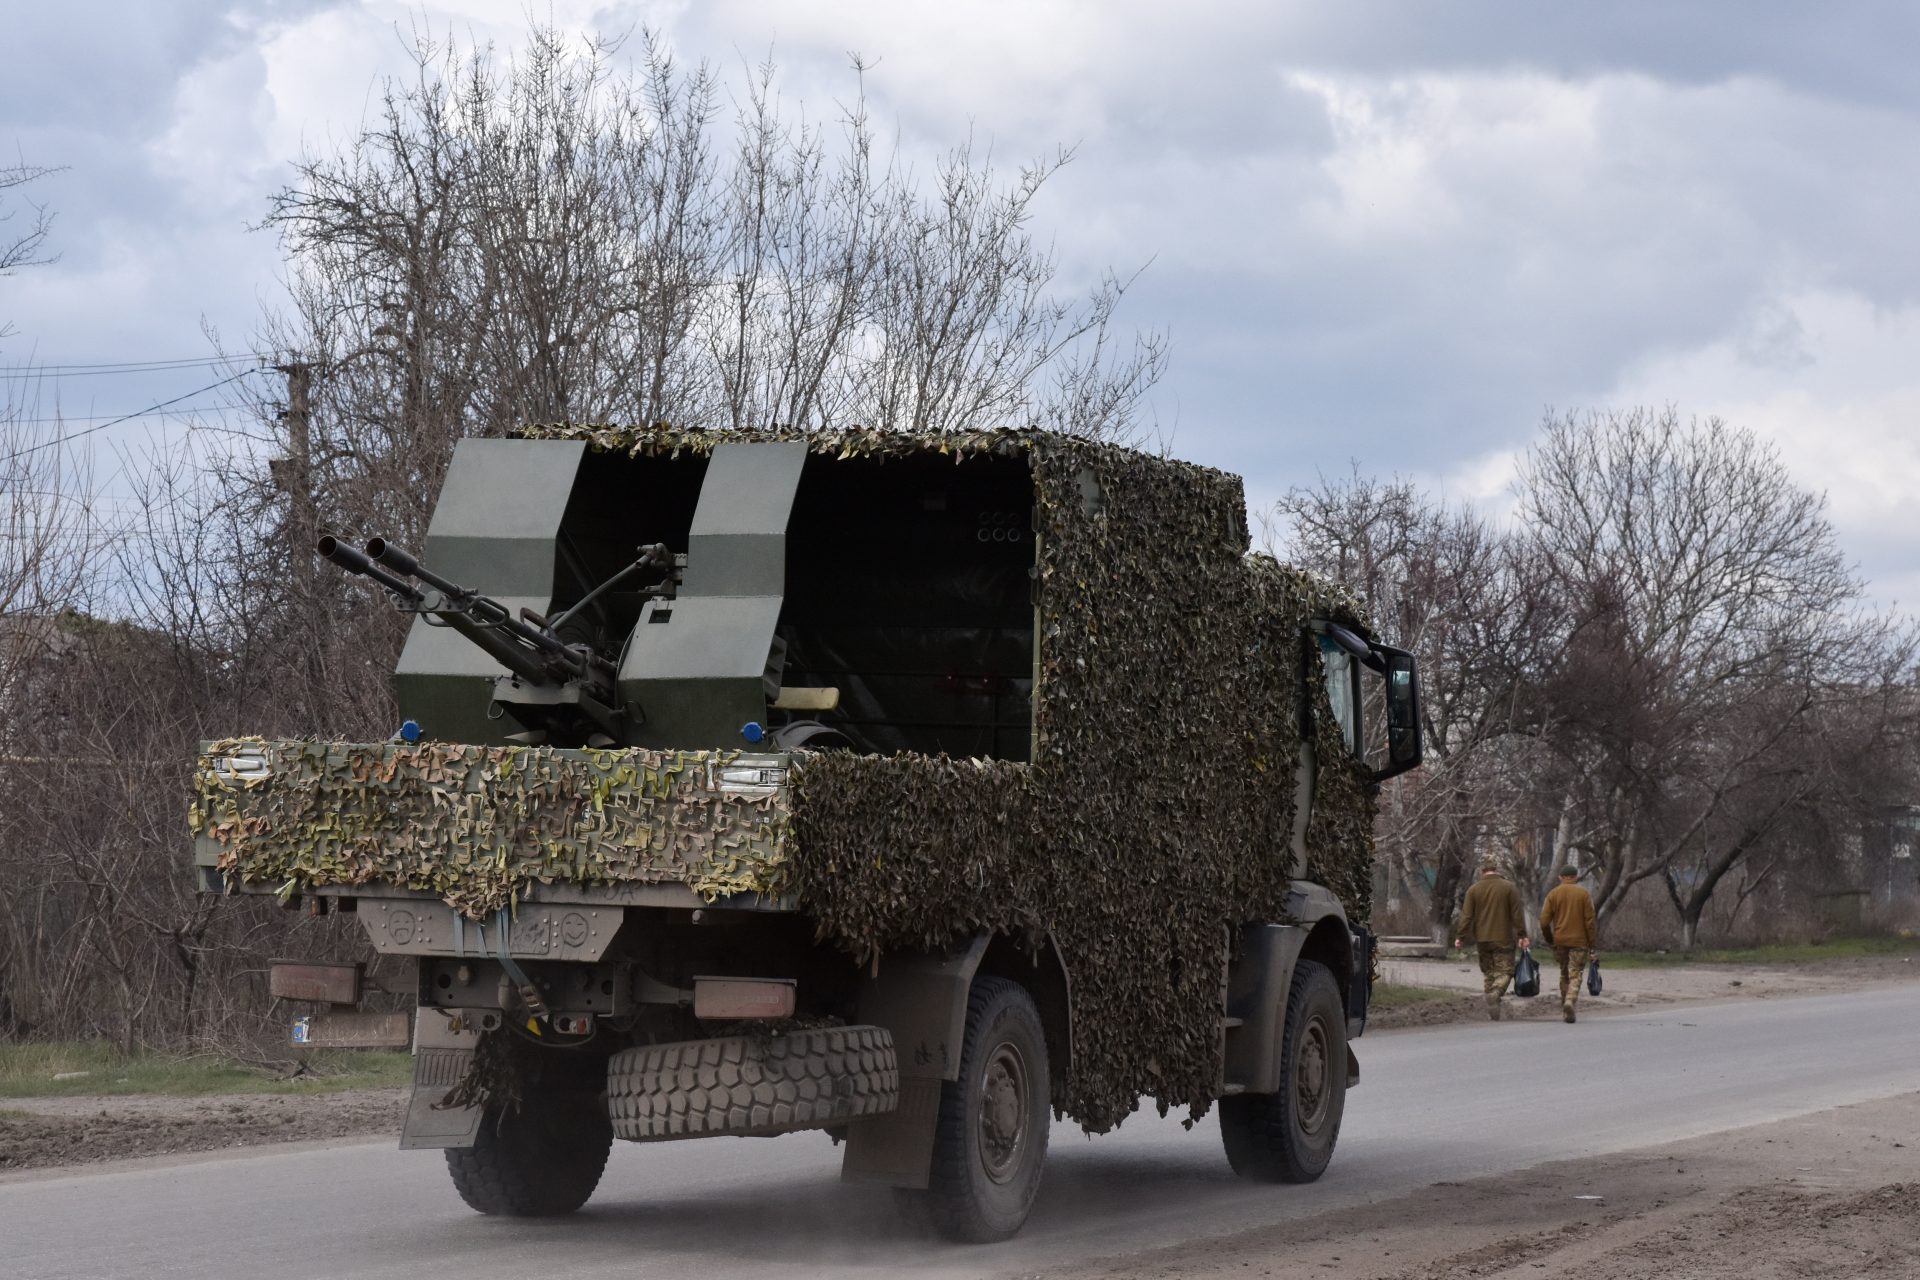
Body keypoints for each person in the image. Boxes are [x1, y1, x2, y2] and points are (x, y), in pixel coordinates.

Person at [1452, 859, 1529, 1021]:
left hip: (1482, 938)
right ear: (1496, 868)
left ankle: (1492, 1009)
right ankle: (1495, 994)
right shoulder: (1509, 887)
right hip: (1503, 938)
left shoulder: (1473, 890)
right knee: (1505, 971)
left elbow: (1466, 916)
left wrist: (1460, 937)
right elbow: (1517, 914)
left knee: (1488, 972)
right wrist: (1522, 935)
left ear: (1482, 871)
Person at [1538, 865, 1599, 1023]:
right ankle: (1570, 1000)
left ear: (1560, 877)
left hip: (1561, 941)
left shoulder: (1553, 894)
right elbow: (1590, 922)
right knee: (1576, 973)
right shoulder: (1584, 894)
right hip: (1579, 941)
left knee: (1564, 974)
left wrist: (1550, 940)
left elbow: (1544, 922)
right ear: (1576, 877)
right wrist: (1592, 945)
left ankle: (1565, 1009)